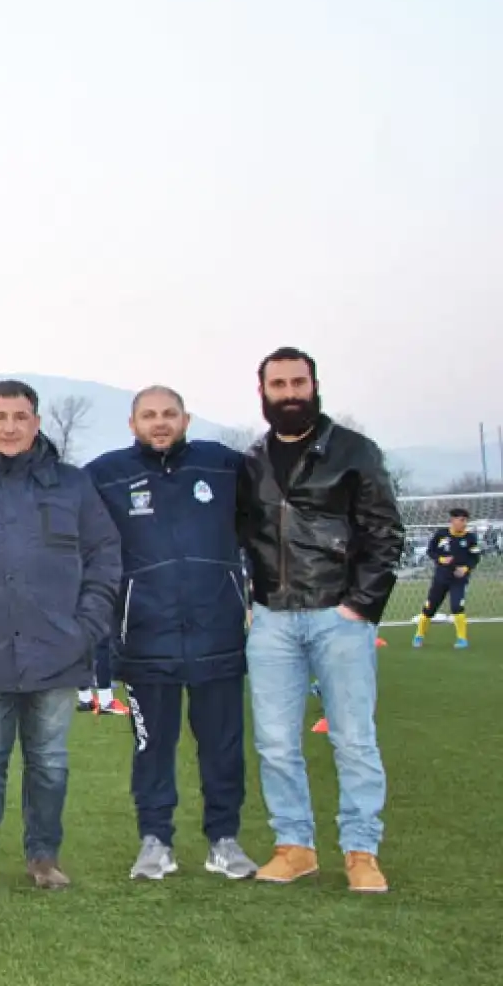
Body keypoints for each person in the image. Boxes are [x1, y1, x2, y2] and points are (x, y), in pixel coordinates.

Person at [0, 380, 122, 896]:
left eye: (20, 416)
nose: (10, 426)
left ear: (36, 423)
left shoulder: (74, 486)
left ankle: (43, 855)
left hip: (59, 650)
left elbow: (105, 557)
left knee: (50, 763)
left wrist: (88, 627)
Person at [237, 346, 402, 894]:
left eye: (297, 382)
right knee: (276, 743)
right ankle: (295, 846)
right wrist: (248, 600)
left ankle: (361, 852)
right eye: (278, 384)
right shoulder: (254, 459)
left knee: (354, 740)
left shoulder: (354, 452)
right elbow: (244, 538)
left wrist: (360, 606)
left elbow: (385, 534)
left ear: (314, 385)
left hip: (338, 616)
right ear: (262, 391)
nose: (289, 393)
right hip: (272, 620)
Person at [85, 386, 259, 882]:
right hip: (144, 640)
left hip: (218, 635)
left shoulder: (223, 466)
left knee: (223, 747)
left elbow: (261, 524)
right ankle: (155, 841)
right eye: (149, 415)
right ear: (132, 422)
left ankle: (224, 840)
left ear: (186, 419)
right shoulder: (106, 474)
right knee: (151, 749)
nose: (159, 422)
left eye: (169, 414)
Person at [414, 508, 480, 649]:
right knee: (429, 608)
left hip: (459, 580)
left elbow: (475, 557)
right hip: (441, 578)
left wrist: (465, 568)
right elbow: (430, 551)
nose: (464, 523)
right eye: (461, 520)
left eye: (465, 520)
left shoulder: (470, 538)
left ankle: (462, 639)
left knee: (457, 606)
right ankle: (419, 636)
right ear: (453, 520)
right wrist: (441, 559)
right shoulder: (441, 534)